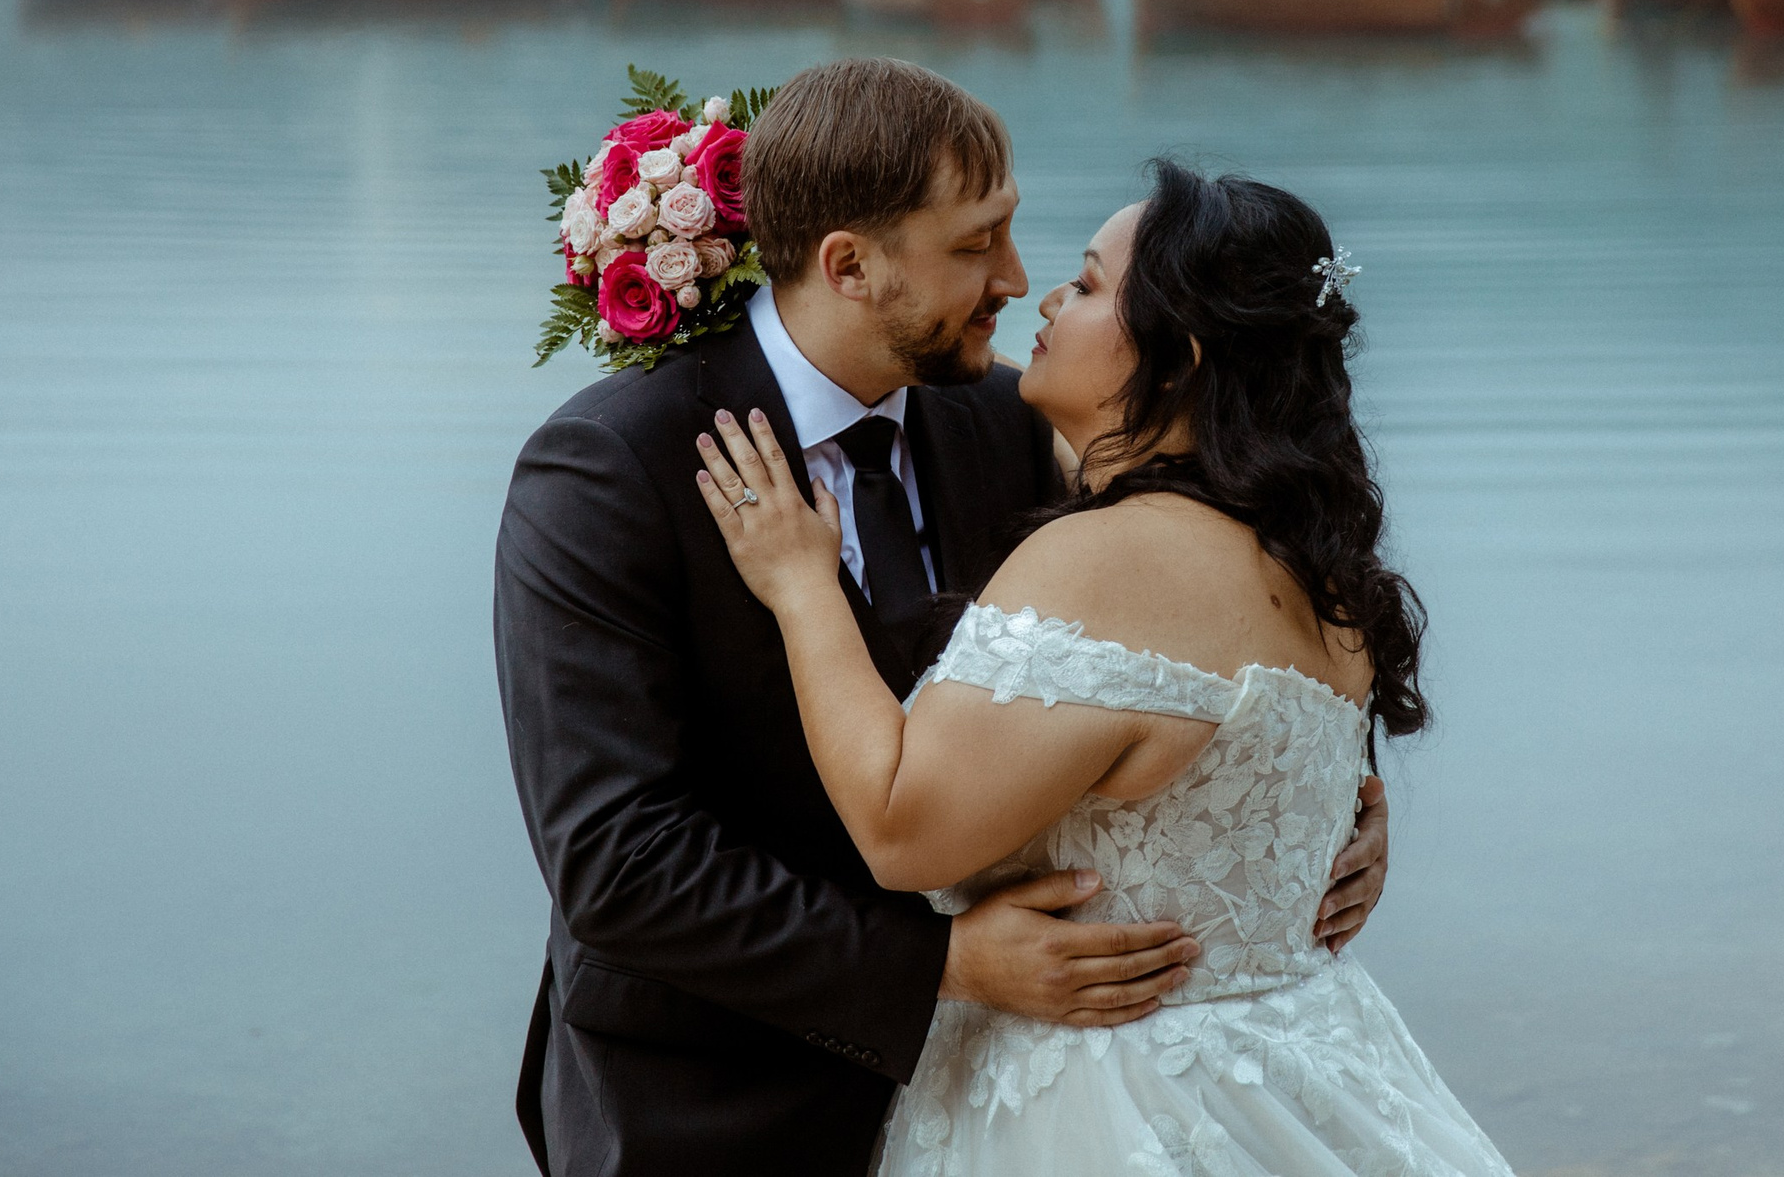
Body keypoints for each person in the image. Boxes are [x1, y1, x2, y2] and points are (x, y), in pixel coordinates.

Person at [494, 61, 1393, 1176]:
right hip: (717, 1096)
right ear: (850, 265)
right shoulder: (614, 467)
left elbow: (1217, 603)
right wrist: (940, 967)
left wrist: (1313, 798)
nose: (1015, 281)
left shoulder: (1002, 422)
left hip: (1020, 1094)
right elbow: (617, 864)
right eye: (976, 246)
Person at [693, 158, 1510, 1176]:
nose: (1040, 293)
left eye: (1083, 285)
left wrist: (801, 585)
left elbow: (904, 834)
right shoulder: (1314, 558)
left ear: (1179, 351)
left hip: (1109, 1101)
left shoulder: (1108, 556)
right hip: (1303, 1063)